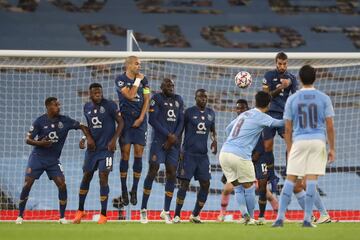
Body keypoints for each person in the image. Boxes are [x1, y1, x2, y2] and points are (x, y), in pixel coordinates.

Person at [272, 65, 335, 228]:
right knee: (311, 179)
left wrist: (289, 146)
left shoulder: (292, 99)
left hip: (299, 140)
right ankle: (307, 220)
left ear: (299, 79)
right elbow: (329, 125)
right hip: (318, 141)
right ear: (315, 78)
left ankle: (279, 219)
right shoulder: (323, 98)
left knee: (291, 178)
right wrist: (332, 148)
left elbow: (287, 127)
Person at [15, 97, 94, 224]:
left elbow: (83, 126)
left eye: (58, 104)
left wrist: (86, 139)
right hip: (37, 157)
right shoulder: (40, 121)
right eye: (55, 105)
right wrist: (40, 143)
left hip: (53, 160)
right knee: (27, 184)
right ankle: (20, 216)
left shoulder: (65, 120)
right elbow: (28, 139)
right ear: (48, 107)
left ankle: (62, 217)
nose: (58, 106)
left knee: (62, 184)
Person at [219, 91, 284, 225]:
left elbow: (227, 130)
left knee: (237, 187)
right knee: (248, 188)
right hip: (240, 156)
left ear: (255, 102)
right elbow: (279, 124)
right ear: (269, 104)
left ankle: (245, 216)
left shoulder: (244, 114)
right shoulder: (261, 116)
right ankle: (252, 218)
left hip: (224, 153)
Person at [73, 83, 124, 224]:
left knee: (103, 177)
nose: (98, 93)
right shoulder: (87, 107)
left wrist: (114, 140)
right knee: (86, 177)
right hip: (92, 151)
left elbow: (121, 122)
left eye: (100, 91)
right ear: (90, 94)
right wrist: (85, 138)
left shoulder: (110, 105)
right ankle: (80, 211)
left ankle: (103, 214)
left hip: (107, 150)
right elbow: (88, 126)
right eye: (95, 91)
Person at [140, 78, 184, 224]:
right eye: (167, 85)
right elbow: (152, 120)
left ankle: (165, 212)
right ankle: (143, 209)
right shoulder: (156, 98)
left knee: (172, 174)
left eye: (172, 85)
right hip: (159, 142)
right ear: (161, 86)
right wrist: (168, 136)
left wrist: (174, 138)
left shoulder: (179, 100)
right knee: (153, 171)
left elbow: (181, 121)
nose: (170, 87)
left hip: (174, 144)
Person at [173, 89, 217, 224]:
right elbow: (180, 131)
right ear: (195, 98)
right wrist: (179, 149)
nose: (203, 99)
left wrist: (215, 140)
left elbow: (213, 130)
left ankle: (195, 215)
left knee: (206, 184)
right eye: (200, 97)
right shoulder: (189, 112)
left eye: (205, 96)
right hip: (188, 154)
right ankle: (177, 215)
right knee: (184, 184)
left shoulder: (211, 113)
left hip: (203, 156)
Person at [114, 56, 150, 206]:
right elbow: (129, 95)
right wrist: (137, 81)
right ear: (128, 65)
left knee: (138, 155)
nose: (139, 66)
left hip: (140, 122)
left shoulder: (144, 80)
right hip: (126, 122)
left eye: (140, 64)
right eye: (136, 63)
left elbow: (147, 98)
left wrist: (141, 118)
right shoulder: (120, 79)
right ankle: (123, 189)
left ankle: (134, 189)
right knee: (125, 155)